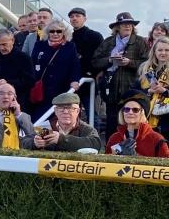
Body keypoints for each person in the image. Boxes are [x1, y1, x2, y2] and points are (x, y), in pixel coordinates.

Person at [92, 12, 149, 140]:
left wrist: (129, 63)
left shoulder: (140, 42)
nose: (127, 26)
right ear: (117, 26)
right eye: (124, 24)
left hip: (132, 89)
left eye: (130, 24)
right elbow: (95, 62)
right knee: (112, 122)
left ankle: (133, 150)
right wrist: (110, 60)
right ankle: (110, 149)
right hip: (110, 89)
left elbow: (147, 64)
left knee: (132, 121)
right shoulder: (108, 42)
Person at [29, 20, 81, 121]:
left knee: (59, 118)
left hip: (61, 88)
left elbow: (75, 65)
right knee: (39, 119)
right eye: (52, 31)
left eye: (59, 31)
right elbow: (32, 63)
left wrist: (75, 80)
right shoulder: (39, 45)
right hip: (42, 90)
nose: (55, 34)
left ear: (64, 33)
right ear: (48, 32)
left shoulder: (70, 46)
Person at [33, 91, 102, 152]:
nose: (65, 112)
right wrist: (35, 143)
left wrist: (61, 139)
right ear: (55, 111)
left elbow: (96, 144)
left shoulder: (86, 129)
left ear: (77, 111)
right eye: (61, 108)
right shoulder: (45, 127)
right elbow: (25, 140)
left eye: (70, 108)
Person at [105, 92, 169, 157]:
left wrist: (136, 157)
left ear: (143, 113)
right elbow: (104, 164)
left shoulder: (157, 139)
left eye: (135, 110)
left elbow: (166, 165)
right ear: (122, 113)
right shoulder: (114, 138)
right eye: (126, 109)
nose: (130, 112)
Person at [0, 29, 34, 105]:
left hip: (17, 102)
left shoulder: (24, 58)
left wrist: (8, 82)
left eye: (4, 44)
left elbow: (30, 81)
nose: (1, 48)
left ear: (13, 41)